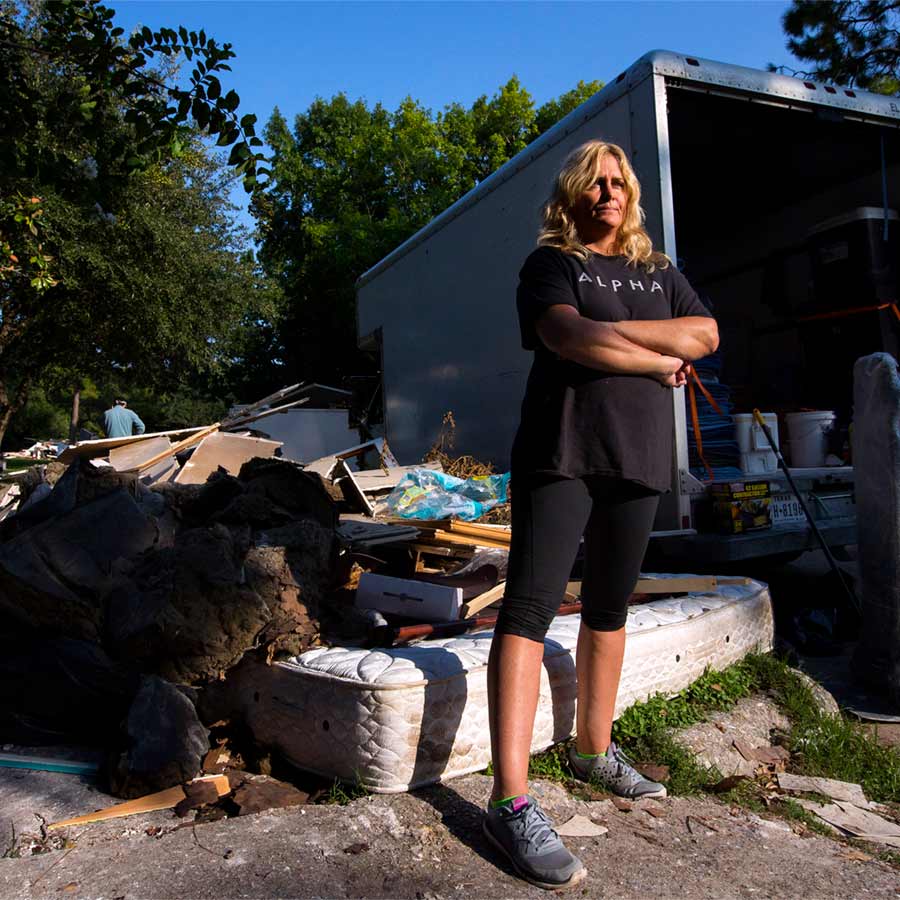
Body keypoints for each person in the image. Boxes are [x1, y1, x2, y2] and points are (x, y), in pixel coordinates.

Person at [482, 140, 718, 890]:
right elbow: (566, 335)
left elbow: (706, 335)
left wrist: (615, 338)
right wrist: (655, 359)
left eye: (619, 182)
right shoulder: (551, 265)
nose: (609, 193)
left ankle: (592, 750)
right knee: (528, 608)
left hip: (638, 456)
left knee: (609, 608)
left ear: (630, 194)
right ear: (575, 195)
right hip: (562, 453)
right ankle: (511, 800)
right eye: (596, 183)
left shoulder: (656, 270)